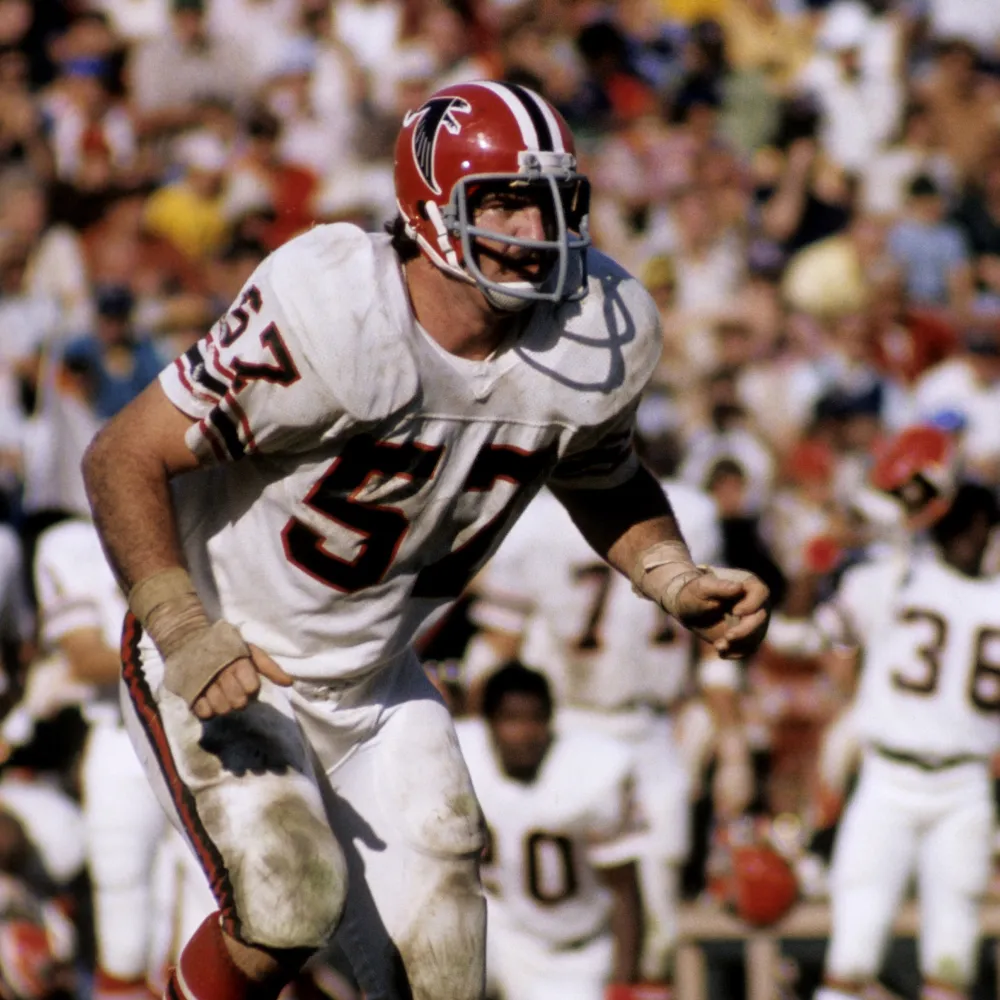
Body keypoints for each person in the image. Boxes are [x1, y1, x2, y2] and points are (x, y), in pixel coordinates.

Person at [80, 80, 771, 1000]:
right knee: (287, 905)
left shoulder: (591, 332)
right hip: (229, 645)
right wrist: (183, 629)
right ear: (429, 209)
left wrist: (671, 575)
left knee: (444, 966)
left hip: (376, 680)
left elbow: (602, 473)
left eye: (553, 199)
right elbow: (123, 454)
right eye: (505, 200)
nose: (537, 226)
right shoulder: (336, 310)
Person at [466, 467, 753, 981]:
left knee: (651, 911)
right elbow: (499, 651)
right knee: (556, 900)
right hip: (574, 730)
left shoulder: (539, 520)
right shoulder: (687, 512)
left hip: (642, 728)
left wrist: (731, 748)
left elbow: (493, 652)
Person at [766, 425, 1000, 1000]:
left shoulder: (902, 576)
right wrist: (812, 566)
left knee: (951, 963)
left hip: (964, 786)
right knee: (852, 956)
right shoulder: (891, 578)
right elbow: (794, 637)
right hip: (888, 780)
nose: (971, 535)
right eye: (962, 522)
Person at [32, 515, 214, 1000]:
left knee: (213, 921)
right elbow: (85, 658)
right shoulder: (71, 543)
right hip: (124, 740)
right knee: (124, 925)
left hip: (208, 736)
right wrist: (197, 653)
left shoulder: (211, 515)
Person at [456, 662, 645, 1000]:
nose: (525, 733)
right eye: (512, 719)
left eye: (536, 719)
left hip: (571, 950)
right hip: (500, 929)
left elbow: (625, 890)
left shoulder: (592, 769)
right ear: (489, 723)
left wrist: (623, 984)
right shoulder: (461, 753)